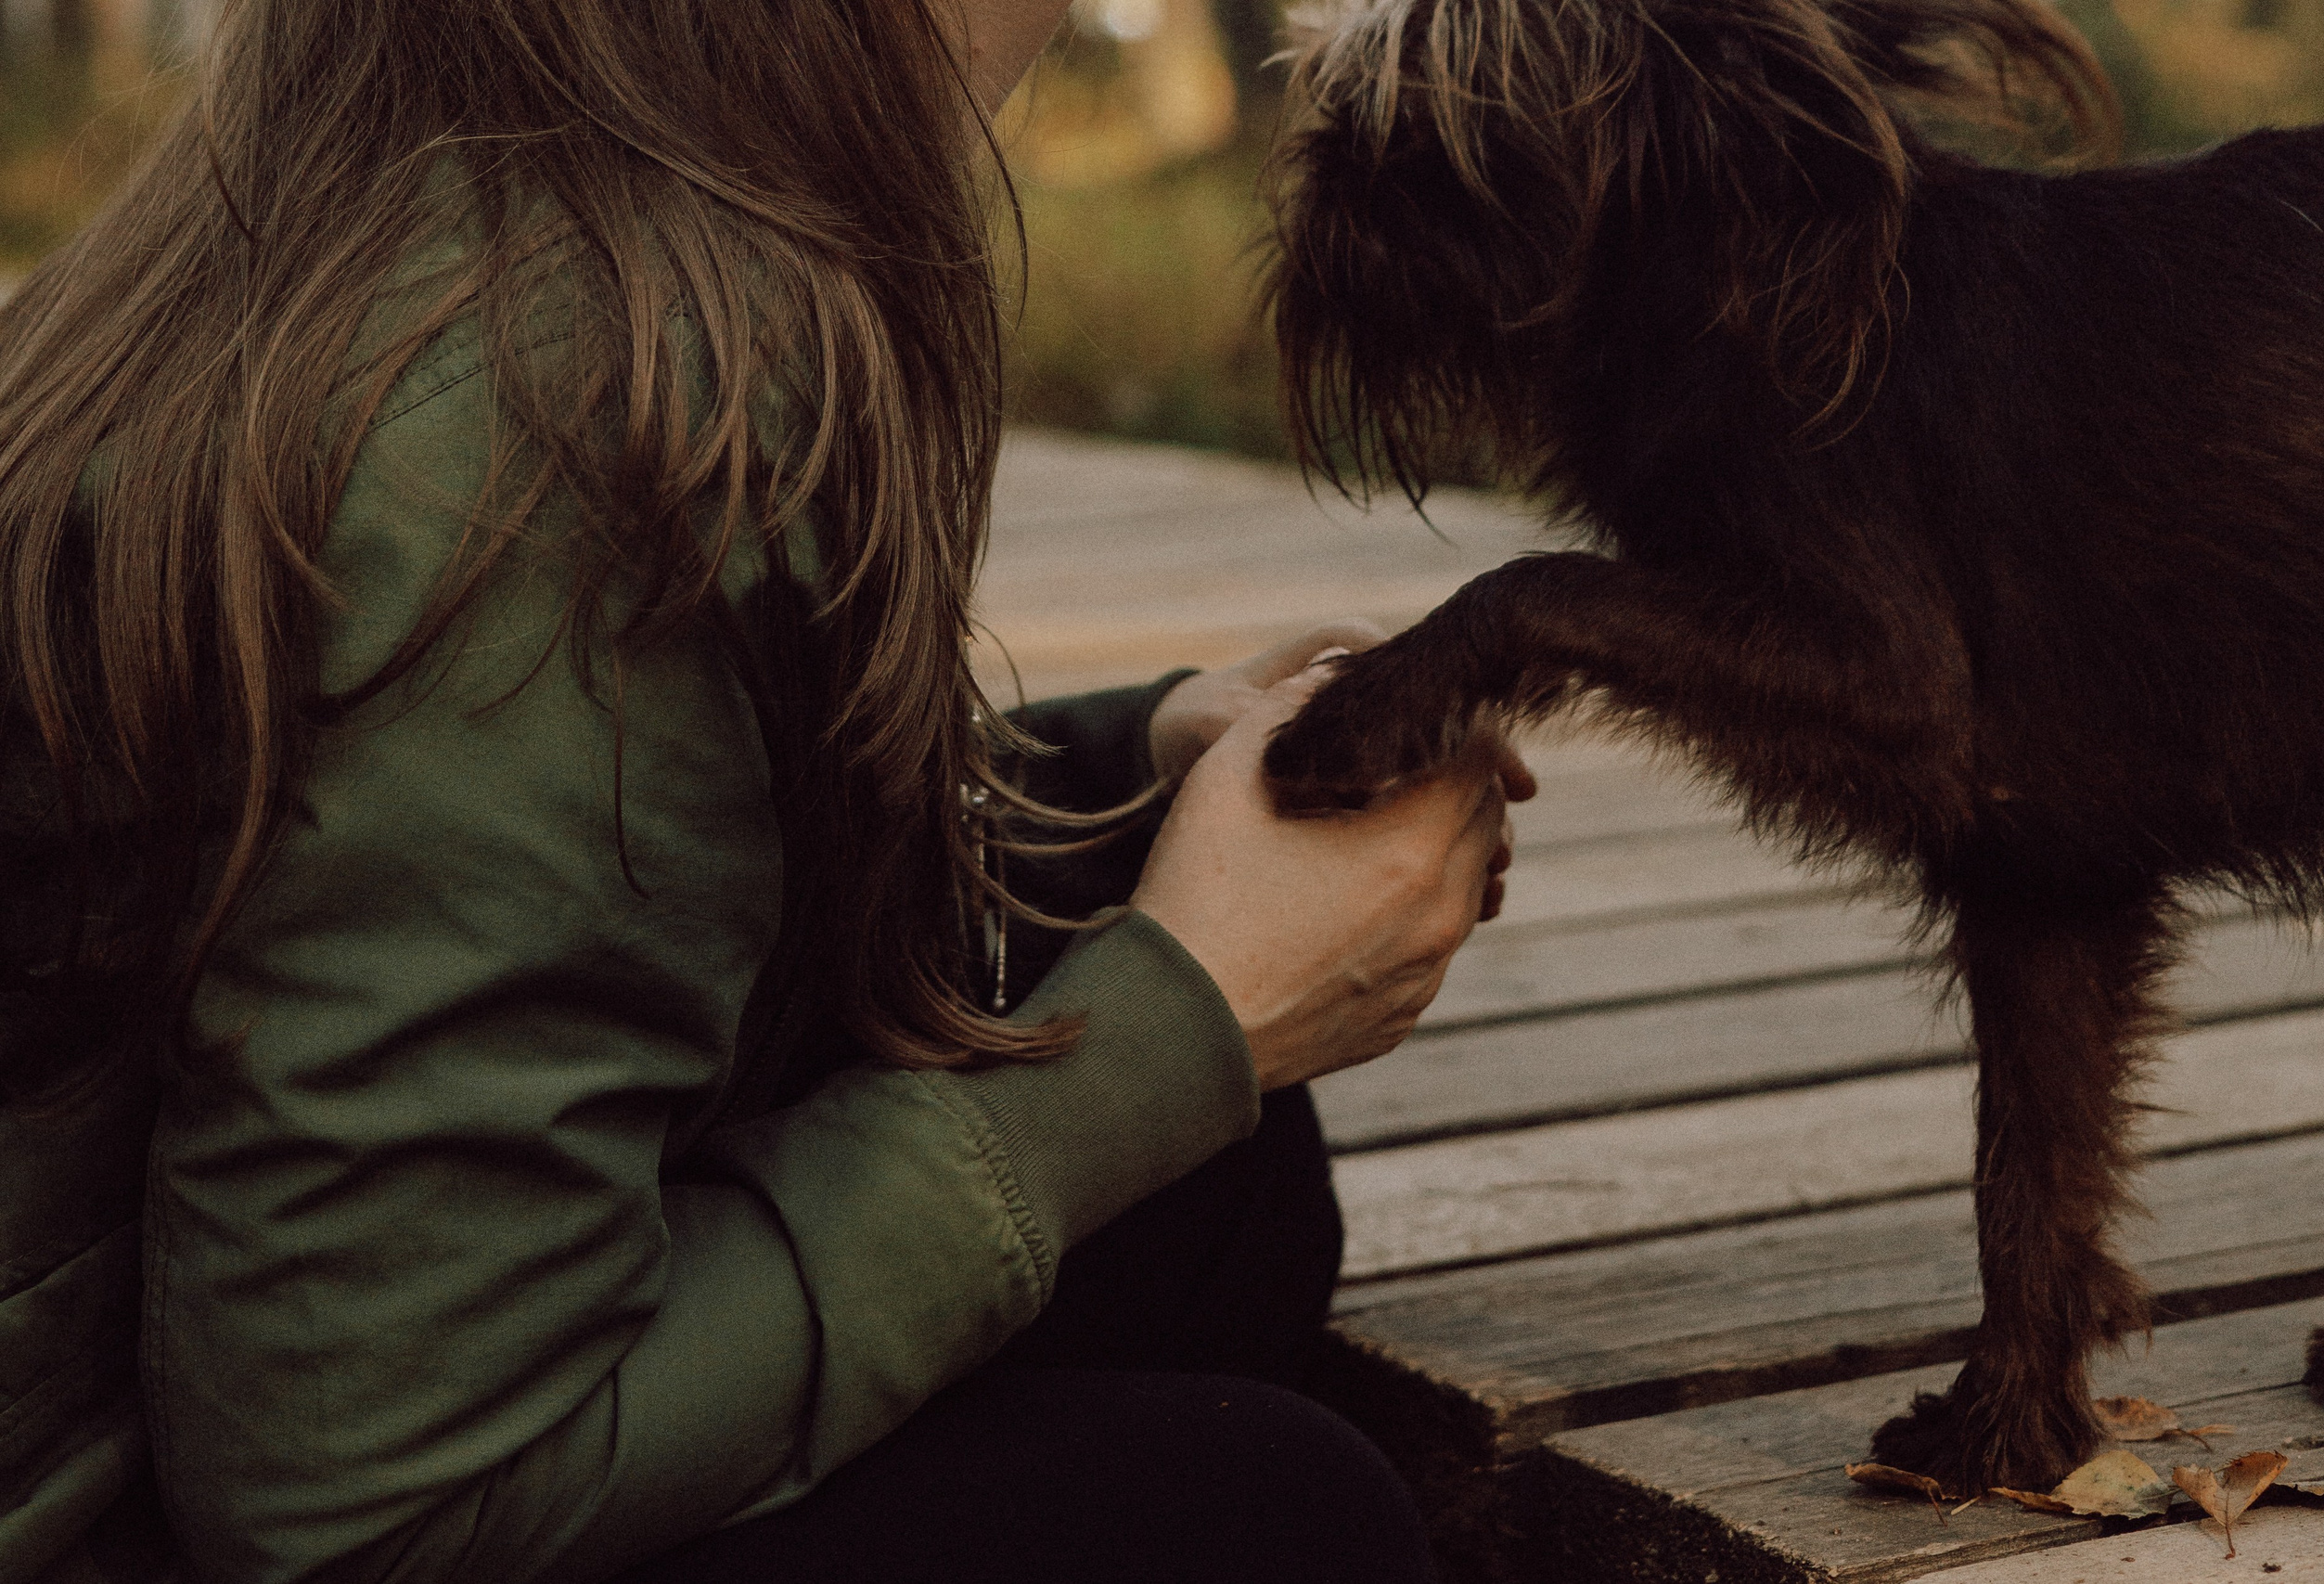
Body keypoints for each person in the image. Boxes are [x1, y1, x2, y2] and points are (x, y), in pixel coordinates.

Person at [0, 2, 1525, 1580]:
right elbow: (374, 1510)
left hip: (206, 1398)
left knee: (1217, 1188)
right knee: (1266, 1524)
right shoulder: (565, 414)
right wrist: (1175, 1020)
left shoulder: (433, 198)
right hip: (232, 1515)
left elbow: (468, 836)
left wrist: (1111, 772)